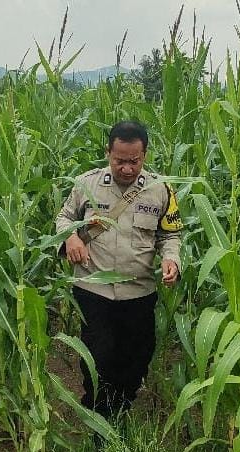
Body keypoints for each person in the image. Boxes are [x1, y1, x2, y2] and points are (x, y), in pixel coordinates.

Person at [56, 120, 182, 418]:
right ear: (108, 153)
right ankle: (99, 420)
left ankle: (121, 410)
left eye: (134, 161)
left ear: (145, 155)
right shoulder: (86, 184)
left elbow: (170, 235)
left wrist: (171, 259)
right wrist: (71, 237)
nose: (127, 168)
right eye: (119, 161)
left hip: (138, 292)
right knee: (97, 360)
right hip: (93, 290)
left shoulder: (161, 190)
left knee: (136, 359)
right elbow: (64, 218)